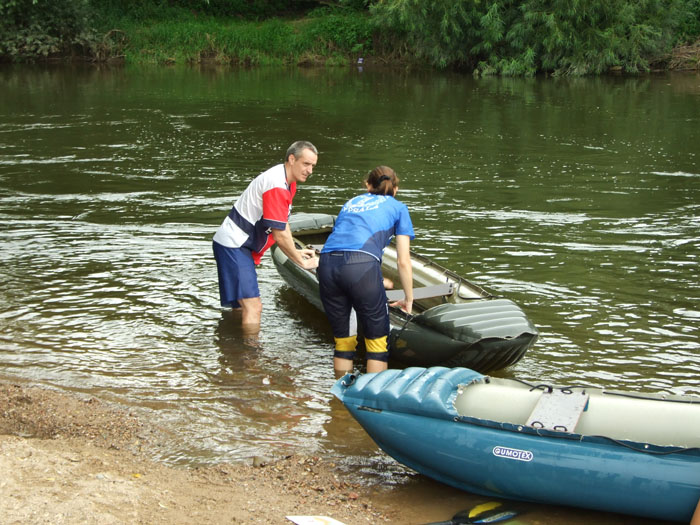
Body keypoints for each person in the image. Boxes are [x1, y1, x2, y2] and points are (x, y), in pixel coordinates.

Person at [317, 166, 414, 378]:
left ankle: (339, 401)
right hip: (360, 266)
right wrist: (408, 297)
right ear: (395, 188)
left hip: (326, 264)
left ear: (368, 185)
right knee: (377, 342)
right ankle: (371, 400)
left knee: (344, 341)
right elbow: (403, 261)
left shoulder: (351, 203)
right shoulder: (398, 207)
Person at [213, 141, 319, 332]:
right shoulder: (277, 185)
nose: (310, 170)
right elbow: (279, 235)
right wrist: (301, 263)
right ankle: (251, 359)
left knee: (241, 307)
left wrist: (296, 251)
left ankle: (233, 349)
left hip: (235, 244)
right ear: (292, 159)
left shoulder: (287, 181)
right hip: (235, 246)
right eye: (306, 164)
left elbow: (282, 221)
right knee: (254, 307)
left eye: (313, 166)